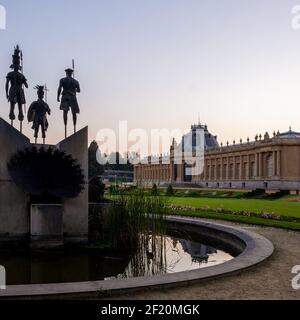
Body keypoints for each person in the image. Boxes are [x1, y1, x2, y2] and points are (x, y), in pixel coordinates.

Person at [5, 46, 28, 123]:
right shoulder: (20, 75)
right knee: (18, 105)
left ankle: (14, 114)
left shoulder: (11, 74)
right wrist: (23, 81)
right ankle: (18, 115)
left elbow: (7, 84)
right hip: (18, 89)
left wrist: (7, 93)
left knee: (14, 104)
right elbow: (26, 85)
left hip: (13, 88)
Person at [57, 68, 81, 135]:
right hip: (73, 97)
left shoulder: (62, 80)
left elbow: (59, 88)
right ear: (71, 73)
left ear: (66, 73)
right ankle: (74, 127)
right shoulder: (75, 81)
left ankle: (65, 125)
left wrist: (58, 97)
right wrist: (74, 89)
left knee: (65, 112)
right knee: (74, 113)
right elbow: (79, 90)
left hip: (65, 96)